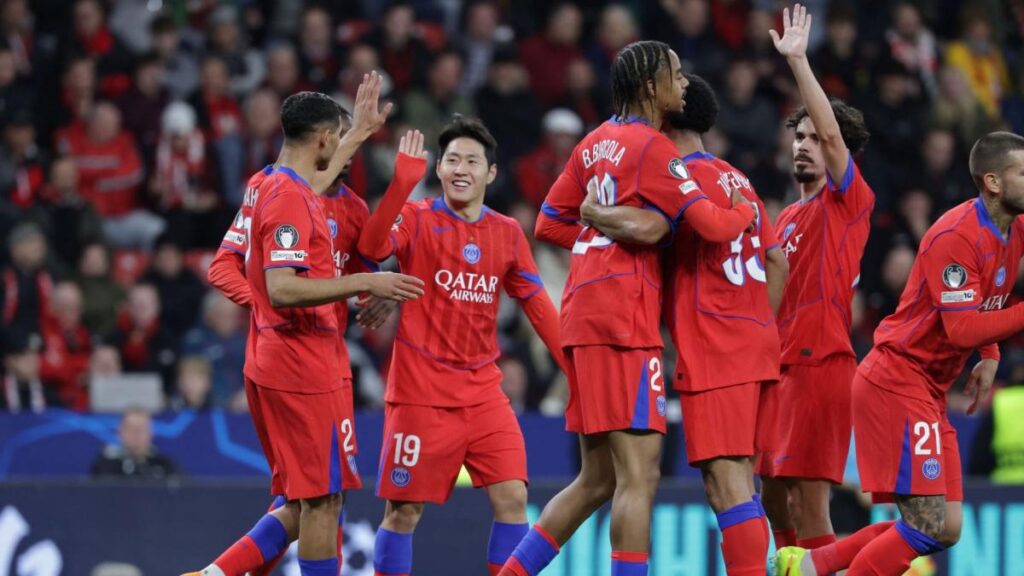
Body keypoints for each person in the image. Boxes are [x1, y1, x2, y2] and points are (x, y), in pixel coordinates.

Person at [499, 41, 756, 576]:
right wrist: (743, 212)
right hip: (623, 319)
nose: (683, 84)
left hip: (582, 308)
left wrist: (603, 230)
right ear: (649, 88)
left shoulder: (594, 142)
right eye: (676, 75)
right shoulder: (653, 148)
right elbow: (709, 225)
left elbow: (548, 221)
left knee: (597, 479)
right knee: (641, 477)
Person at [184, 84, 423, 576]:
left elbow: (324, 194)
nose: (341, 151)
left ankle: (215, 574)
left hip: (287, 357)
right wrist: (365, 280)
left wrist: (358, 132)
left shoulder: (273, 186)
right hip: (302, 363)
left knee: (305, 497)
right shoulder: (290, 198)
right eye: (336, 140)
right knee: (321, 502)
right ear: (320, 140)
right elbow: (283, 289)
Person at [772, 131, 1024, 573]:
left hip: (927, 389)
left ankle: (808, 566)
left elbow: (986, 296)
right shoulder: (956, 236)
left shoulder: (1013, 228)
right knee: (924, 524)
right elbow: (961, 326)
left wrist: (992, 354)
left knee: (945, 527)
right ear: (994, 182)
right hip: (896, 381)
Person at [575, 73, 788, 575]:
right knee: (740, 480)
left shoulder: (675, 180)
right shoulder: (739, 178)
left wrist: (595, 214)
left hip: (716, 347)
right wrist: (758, 322)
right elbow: (777, 261)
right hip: (757, 342)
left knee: (727, 483)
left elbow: (650, 231)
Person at [356, 116, 566, 576]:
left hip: (483, 392)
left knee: (513, 497)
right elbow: (371, 249)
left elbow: (537, 305)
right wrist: (401, 186)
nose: (460, 169)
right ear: (441, 168)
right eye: (452, 160)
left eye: (472, 160)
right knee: (404, 512)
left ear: (490, 173)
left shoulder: (508, 232)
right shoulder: (416, 216)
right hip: (420, 394)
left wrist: (575, 368)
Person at [756, 4, 874, 554]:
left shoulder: (845, 201)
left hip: (820, 363)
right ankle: (791, 566)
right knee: (771, 492)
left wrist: (799, 61)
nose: (804, 143)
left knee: (809, 501)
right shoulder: (783, 219)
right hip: (775, 368)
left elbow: (831, 134)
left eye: (812, 137)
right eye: (796, 136)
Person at [91, 408, 180, 480]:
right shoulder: (106, 467)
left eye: (141, 429)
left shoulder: (165, 466)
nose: (136, 434)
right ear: (120, 432)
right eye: (131, 429)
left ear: (150, 433)